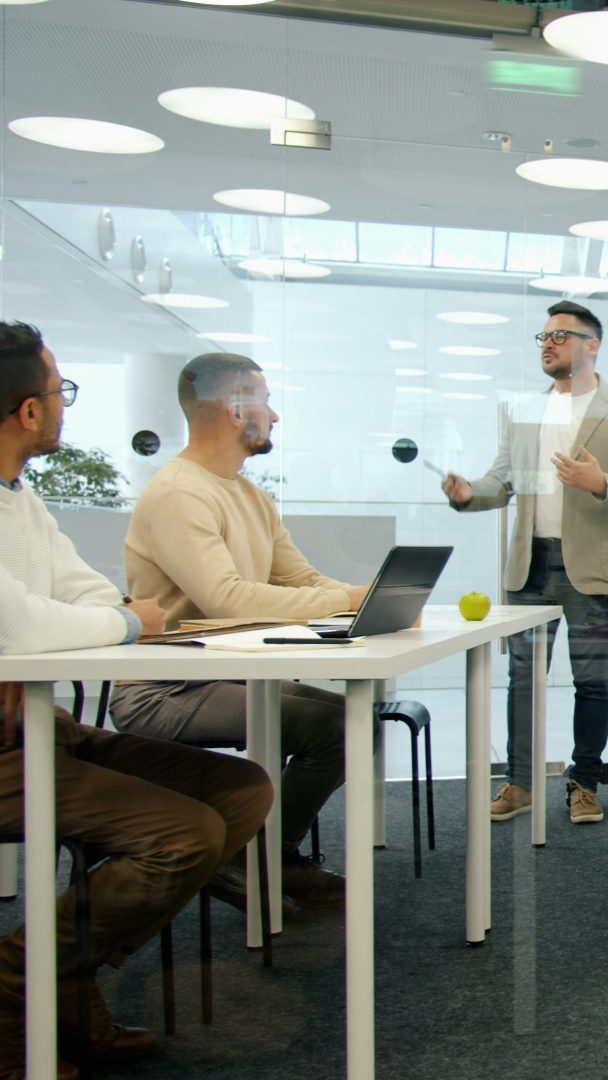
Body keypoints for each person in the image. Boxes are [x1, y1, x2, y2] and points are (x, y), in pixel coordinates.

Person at [0, 321, 274, 1078]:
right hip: (6, 747)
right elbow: (20, 622)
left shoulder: (21, 498)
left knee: (241, 789)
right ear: (28, 411)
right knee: (181, 834)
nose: (64, 406)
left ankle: (61, 969)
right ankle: (21, 981)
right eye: (60, 392)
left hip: (39, 728)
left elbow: (77, 586)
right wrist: (128, 620)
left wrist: (117, 614)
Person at [111, 353, 368, 911]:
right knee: (335, 727)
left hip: (224, 677)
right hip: (165, 689)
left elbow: (300, 578)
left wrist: (363, 601)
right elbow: (224, 598)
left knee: (349, 722)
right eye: (266, 402)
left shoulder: (249, 495)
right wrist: (343, 601)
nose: (274, 416)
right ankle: (251, 859)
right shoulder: (180, 493)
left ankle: (264, 856)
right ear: (234, 410)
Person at [441, 300, 608, 825]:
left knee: (591, 680)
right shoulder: (526, 412)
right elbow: (501, 482)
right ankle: (520, 783)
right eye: (543, 336)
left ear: (593, 345)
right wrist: (468, 492)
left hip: (592, 570)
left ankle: (584, 784)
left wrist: (600, 482)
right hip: (531, 567)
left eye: (561, 335)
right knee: (523, 679)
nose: (548, 344)